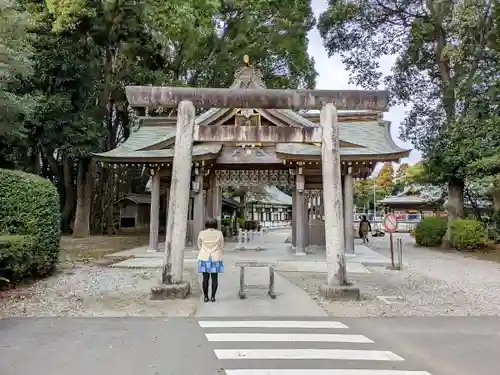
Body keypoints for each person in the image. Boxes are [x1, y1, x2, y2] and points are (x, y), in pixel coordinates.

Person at [197, 218, 224, 303]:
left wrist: (204, 250)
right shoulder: (219, 233)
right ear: (216, 225)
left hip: (204, 257)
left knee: (205, 278)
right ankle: (213, 297)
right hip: (215, 257)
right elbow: (221, 245)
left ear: (206, 225)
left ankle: (205, 297)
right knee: (214, 278)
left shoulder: (202, 233)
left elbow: (199, 245)